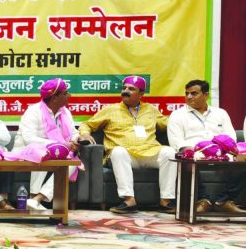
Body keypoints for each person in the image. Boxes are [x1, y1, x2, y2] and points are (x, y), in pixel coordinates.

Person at [79, 75, 176, 214]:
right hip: (126, 156)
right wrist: (84, 133)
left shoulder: (151, 109)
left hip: (150, 152)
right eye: (124, 88)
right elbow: (87, 124)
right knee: (118, 152)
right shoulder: (110, 110)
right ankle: (129, 200)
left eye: (131, 89)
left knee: (169, 152)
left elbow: (169, 124)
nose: (125, 91)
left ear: (141, 94)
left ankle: (166, 201)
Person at [167, 79, 244, 214]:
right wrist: (193, 151)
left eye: (194, 93)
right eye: (187, 93)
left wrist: (220, 151)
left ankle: (224, 201)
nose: (189, 97)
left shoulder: (221, 113)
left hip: (221, 153)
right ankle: (203, 201)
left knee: (243, 160)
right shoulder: (177, 115)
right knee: (187, 160)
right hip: (195, 153)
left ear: (206, 95)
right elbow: (176, 141)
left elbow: (231, 137)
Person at [14, 78, 81, 210]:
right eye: (65, 93)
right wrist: (59, 145)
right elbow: (28, 138)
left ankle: (36, 199)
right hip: (26, 150)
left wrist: (78, 139)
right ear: (54, 98)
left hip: (56, 151)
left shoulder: (65, 112)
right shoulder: (34, 111)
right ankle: (33, 196)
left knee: (72, 162)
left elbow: (73, 132)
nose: (69, 95)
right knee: (43, 152)